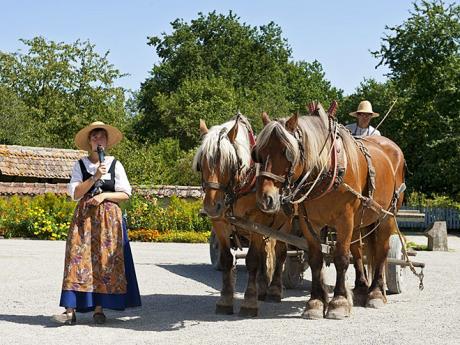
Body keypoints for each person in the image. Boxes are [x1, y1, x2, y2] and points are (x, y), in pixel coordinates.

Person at [52, 121, 141, 325]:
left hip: (109, 220)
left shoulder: (115, 163)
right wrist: (95, 177)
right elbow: (75, 193)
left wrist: (104, 196)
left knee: (104, 261)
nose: (97, 140)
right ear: (89, 142)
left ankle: (99, 309)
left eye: (101, 136)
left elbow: (126, 193)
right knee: (76, 259)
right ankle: (70, 310)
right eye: (94, 137)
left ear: (107, 141)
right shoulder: (80, 165)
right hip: (84, 218)